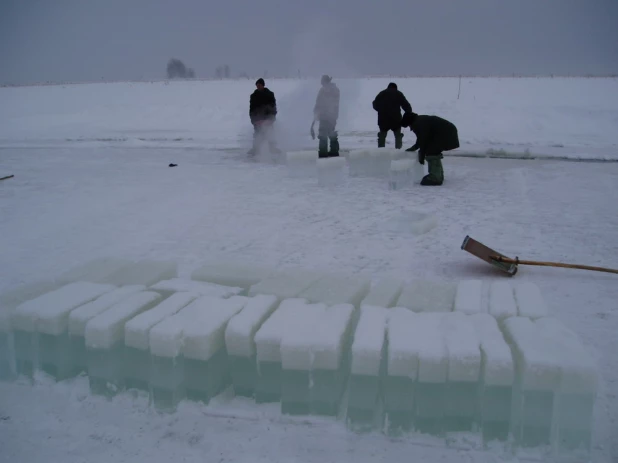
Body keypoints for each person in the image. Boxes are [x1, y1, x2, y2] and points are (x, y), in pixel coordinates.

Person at [400, 111, 460, 186]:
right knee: (433, 150)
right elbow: (422, 139)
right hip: (447, 133)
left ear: (409, 121)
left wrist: (421, 156)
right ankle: (439, 175)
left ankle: (435, 178)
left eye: (409, 125)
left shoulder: (419, 123)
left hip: (447, 135)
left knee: (431, 151)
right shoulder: (420, 120)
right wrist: (414, 148)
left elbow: (423, 140)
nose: (410, 127)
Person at [371, 82, 412, 149]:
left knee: (382, 136)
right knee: (398, 136)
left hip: (383, 119)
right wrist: (407, 115)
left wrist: (380, 110)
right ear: (395, 88)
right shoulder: (398, 94)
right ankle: (398, 151)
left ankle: (381, 151)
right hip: (396, 119)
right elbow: (407, 106)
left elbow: (375, 104)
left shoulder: (381, 93)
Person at [248, 78, 281, 155]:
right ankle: (255, 149)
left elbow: (273, 107)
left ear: (263, 85)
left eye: (259, 85)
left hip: (268, 119)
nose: (258, 87)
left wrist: (271, 119)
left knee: (270, 134)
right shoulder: (253, 96)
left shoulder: (270, 94)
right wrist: (253, 120)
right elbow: (251, 109)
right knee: (257, 135)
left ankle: (272, 148)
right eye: (257, 85)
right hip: (257, 119)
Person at [312, 75, 341, 158]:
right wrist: (316, 111)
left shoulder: (332, 90)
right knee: (327, 134)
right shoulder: (324, 90)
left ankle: (327, 153)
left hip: (329, 116)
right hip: (325, 116)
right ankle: (328, 152)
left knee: (325, 134)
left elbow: (330, 102)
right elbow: (318, 103)